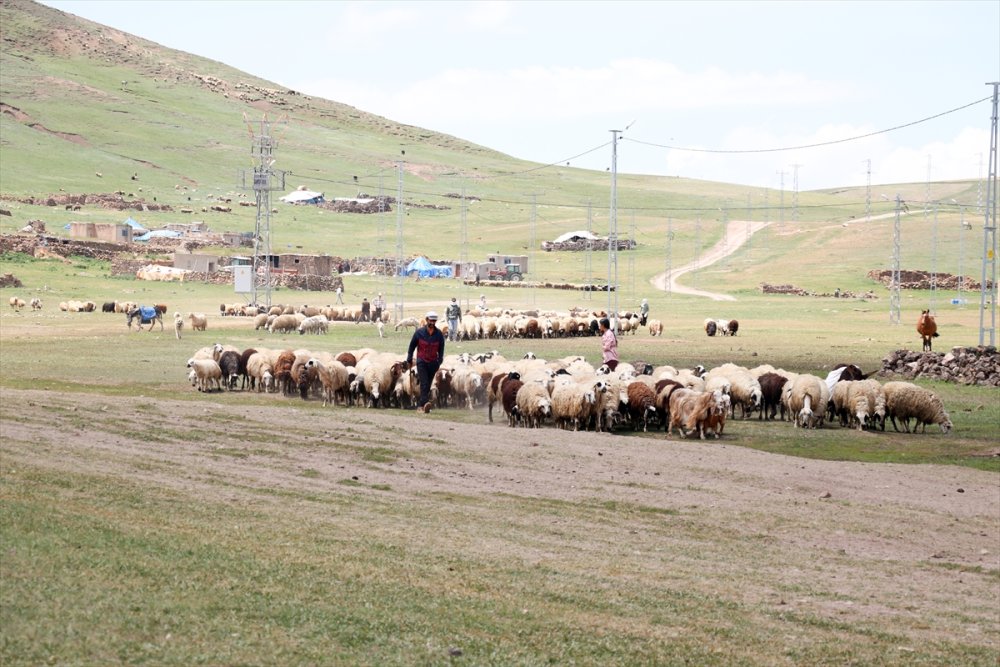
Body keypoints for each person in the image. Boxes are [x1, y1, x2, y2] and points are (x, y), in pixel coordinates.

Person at [406, 311, 445, 413]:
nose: (432, 322)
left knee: (428, 385)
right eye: (431, 320)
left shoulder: (439, 334)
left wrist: (439, 361)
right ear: (427, 320)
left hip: (433, 362)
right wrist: (409, 358)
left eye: (434, 321)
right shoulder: (419, 333)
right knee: (424, 383)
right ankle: (424, 404)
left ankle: (422, 405)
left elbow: (441, 349)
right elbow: (412, 346)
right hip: (422, 361)